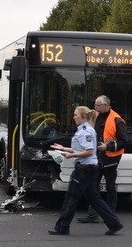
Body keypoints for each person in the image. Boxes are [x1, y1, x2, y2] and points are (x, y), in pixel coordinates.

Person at [48, 106, 123, 236]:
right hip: (89, 169)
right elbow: (83, 149)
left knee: (71, 198)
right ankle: (114, 223)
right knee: (94, 199)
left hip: (83, 169)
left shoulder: (85, 131)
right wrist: (64, 148)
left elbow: (88, 152)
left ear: (83, 116)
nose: (73, 117)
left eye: (76, 115)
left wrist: (71, 156)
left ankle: (62, 227)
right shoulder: (87, 129)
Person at [77, 95, 127, 224]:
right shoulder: (96, 115)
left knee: (110, 188)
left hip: (111, 159)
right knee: (93, 186)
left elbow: (124, 141)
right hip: (97, 159)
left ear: (106, 105)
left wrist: (107, 147)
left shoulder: (116, 120)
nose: (95, 107)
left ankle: (110, 216)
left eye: (97, 105)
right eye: (95, 105)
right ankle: (92, 215)